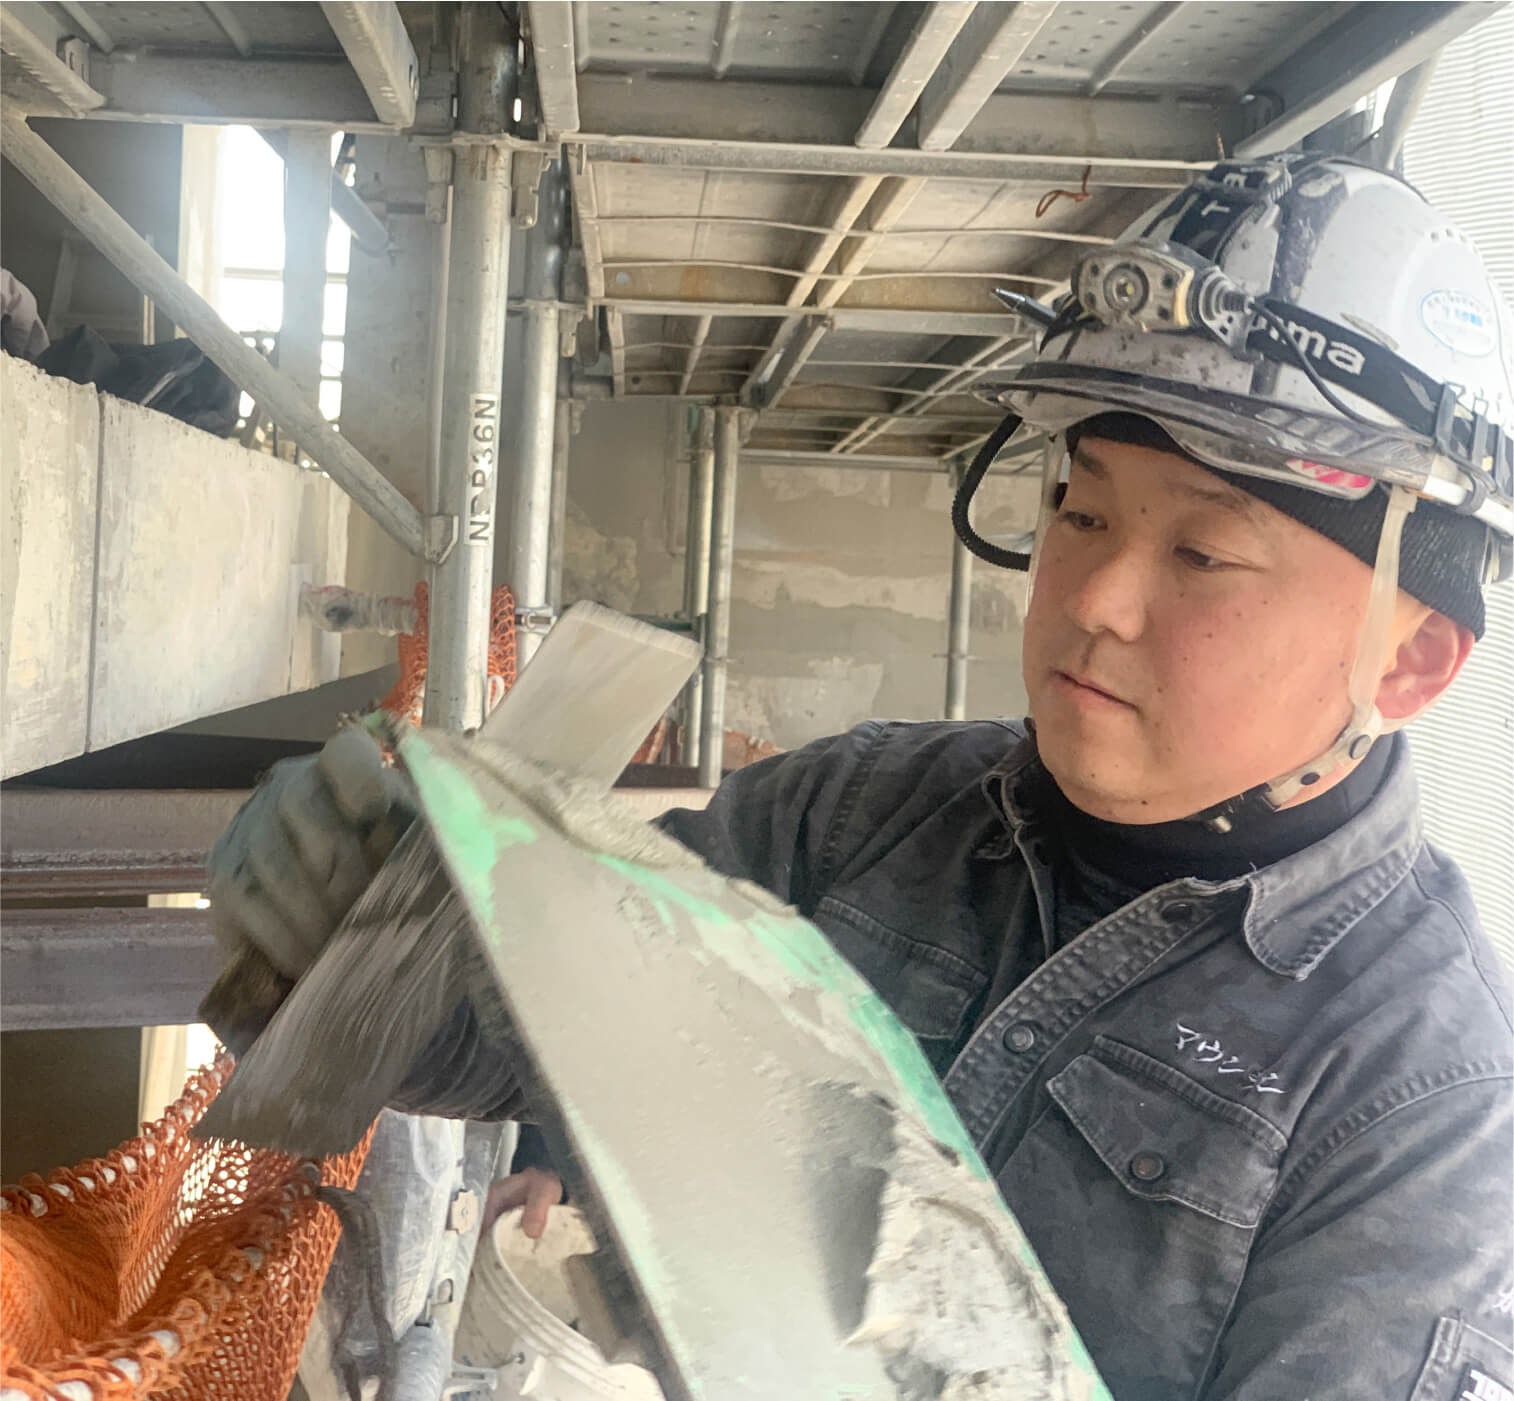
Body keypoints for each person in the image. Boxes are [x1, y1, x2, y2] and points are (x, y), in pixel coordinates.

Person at [207, 155, 1514, 1399]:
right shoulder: (856, 816)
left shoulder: (1427, 1108)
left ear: (1409, 658)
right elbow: (517, 1046)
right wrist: (350, 945)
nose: (1094, 598)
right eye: (1082, 511)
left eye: (1203, 555)